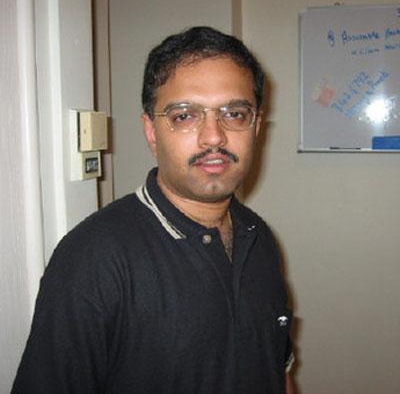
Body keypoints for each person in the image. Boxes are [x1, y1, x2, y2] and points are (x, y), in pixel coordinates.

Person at [12, 26, 295, 394]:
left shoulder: (260, 239)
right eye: (184, 116)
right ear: (151, 132)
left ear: (256, 127)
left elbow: (277, 370)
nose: (214, 136)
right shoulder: (92, 260)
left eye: (235, 114)